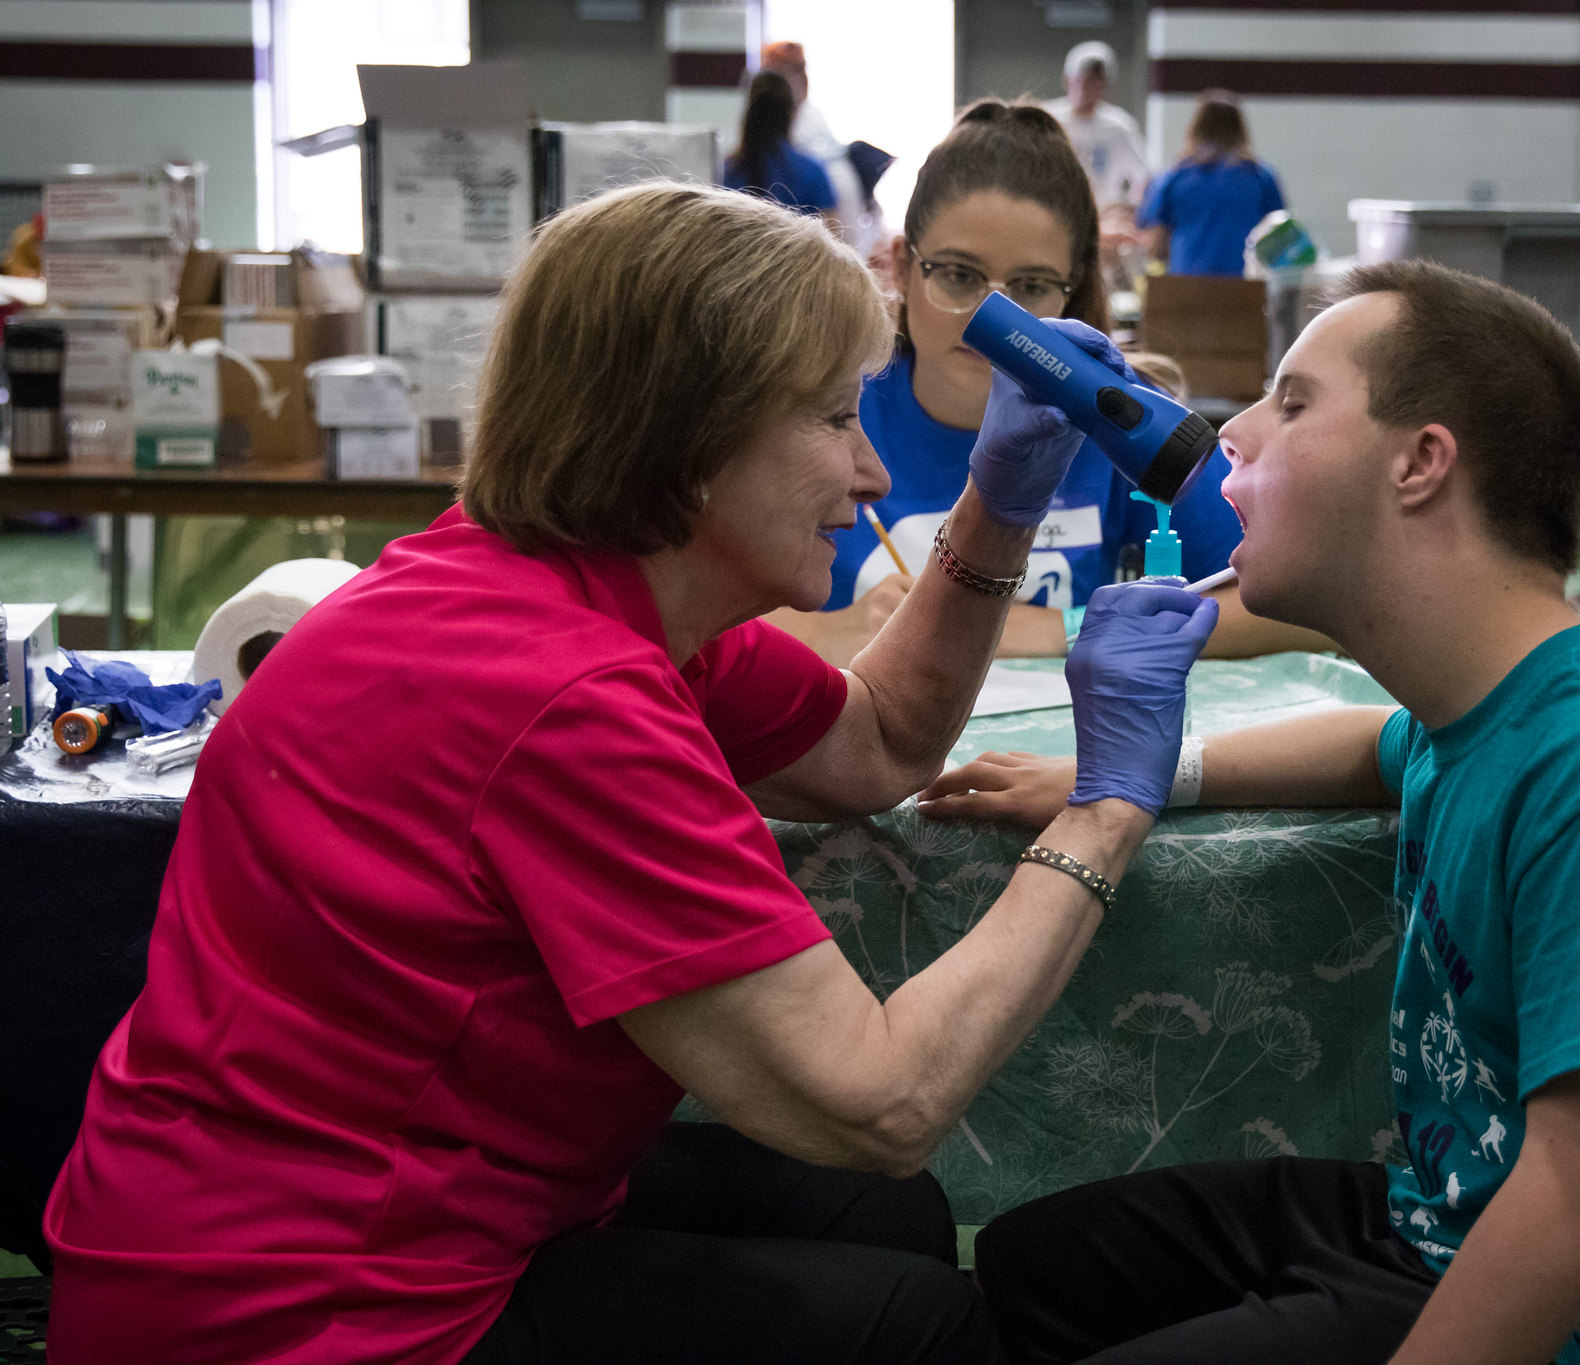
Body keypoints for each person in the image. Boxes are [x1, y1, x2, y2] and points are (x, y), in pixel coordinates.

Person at [42, 182, 1221, 1365]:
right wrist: (1111, 804)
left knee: (882, 1221)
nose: (869, 472)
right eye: (828, 421)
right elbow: (883, 1101)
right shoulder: (562, 698)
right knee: (912, 1326)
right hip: (303, 1314)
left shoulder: (563, 588)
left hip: (327, 1198)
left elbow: (876, 745)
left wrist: (998, 504)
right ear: (683, 438)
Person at [921, 260, 1580, 1365]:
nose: (1230, 437)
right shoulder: (1485, 697)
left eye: (1291, 402)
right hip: (1440, 1224)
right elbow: (1376, 749)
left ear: (1419, 464)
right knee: (1039, 1265)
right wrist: (1137, 775)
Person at [767, 100, 1329, 665]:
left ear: (1072, 288)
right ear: (903, 266)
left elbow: (1304, 605)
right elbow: (689, 594)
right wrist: (832, 633)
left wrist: (1068, 629)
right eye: (959, 276)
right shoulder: (829, 411)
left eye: (1031, 286)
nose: (992, 322)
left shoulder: (1116, 415)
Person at [1138, 91, 1285, 278]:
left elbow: (1158, 245)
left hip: (1187, 282)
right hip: (1245, 285)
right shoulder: (1260, 176)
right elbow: (1279, 234)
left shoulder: (1175, 177)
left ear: (1196, 127)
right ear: (1240, 128)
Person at [760, 40, 873, 251]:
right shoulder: (798, 166)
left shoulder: (814, 121)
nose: (800, 79)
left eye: (802, 69)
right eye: (790, 71)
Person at [723, 70, 839, 231]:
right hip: (800, 256)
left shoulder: (728, 170)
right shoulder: (812, 172)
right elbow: (833, 240)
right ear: (791, 112)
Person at [1044, 41, 1151, 210]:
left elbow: (1144, 174)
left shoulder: (1119, 126)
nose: (1086, 88)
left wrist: (1133, 208)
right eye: (1081, 80)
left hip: (1101, 216)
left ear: (1105, 85)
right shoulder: (1048, 119)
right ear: (1068, 80)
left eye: (1095, 81)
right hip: (1057, 212)